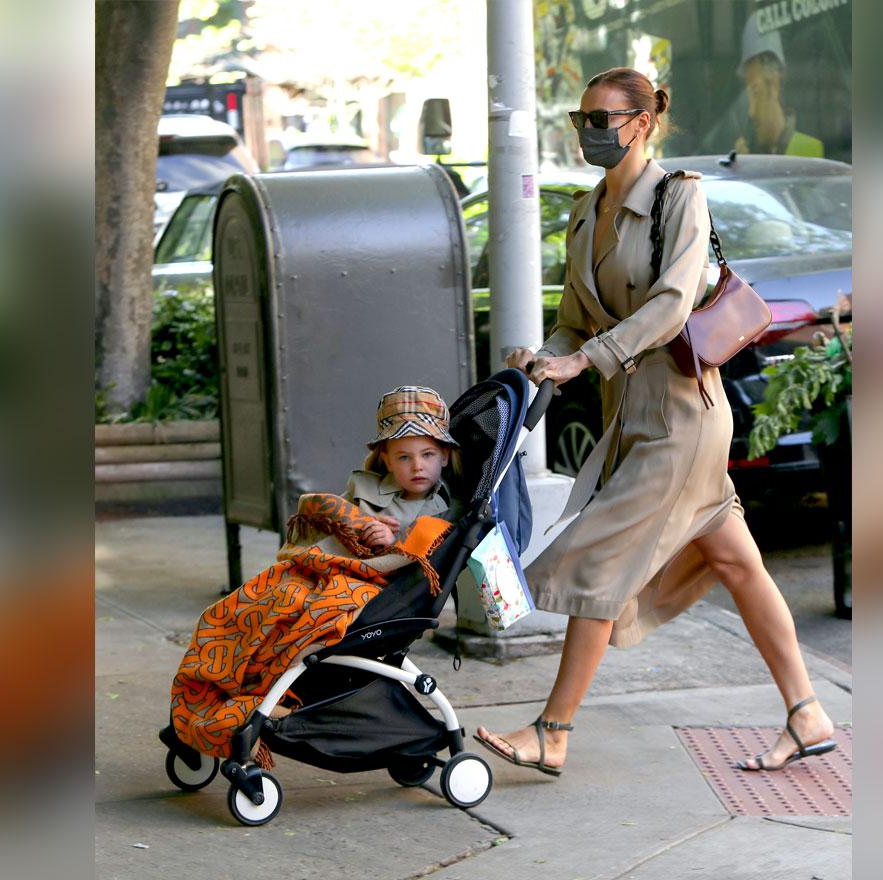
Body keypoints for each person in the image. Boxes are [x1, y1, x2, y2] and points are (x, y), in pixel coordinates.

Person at [473, 67, 835, 775]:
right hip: (628, 418)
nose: (588, 133)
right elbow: (574, 321)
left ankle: (553, 730)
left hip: (681, 419)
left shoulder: (679, 200)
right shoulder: (584, 214)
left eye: (602, 120)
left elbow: (673, 304)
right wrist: (543, 357)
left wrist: (590, 359)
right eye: (581, 119)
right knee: (736, 560)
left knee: (600, 562)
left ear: (642, 123)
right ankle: (807, 712)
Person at [341, 385, 458, 551]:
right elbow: (321, 522)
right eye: (404, 457)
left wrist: (394, 545)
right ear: (387, 461)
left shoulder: (453, 512)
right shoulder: (362, 489)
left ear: (444, 456)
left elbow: (435, 567)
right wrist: (361, 525)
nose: (417, 467)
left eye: (427, 455)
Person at [733, 11, 824, 158]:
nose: (751, 111)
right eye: (747, 96)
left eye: (755, 92)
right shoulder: (750, 154)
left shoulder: (809, 152)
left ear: (774, 84)